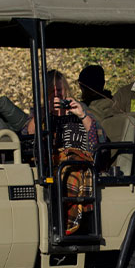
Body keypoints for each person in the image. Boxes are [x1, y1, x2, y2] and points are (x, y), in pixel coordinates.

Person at [27, 70, 103, 235]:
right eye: (51, 92)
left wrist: (82, 115)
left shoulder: (80, 110)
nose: (56, 96)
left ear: (65, 91)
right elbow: (28, 135)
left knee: (70, 171)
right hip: (52, 162)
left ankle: (68, 226)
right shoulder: (40, 113)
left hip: (78, 160)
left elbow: (99, 139)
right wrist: (45, 112)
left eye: (59, 91)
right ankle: (62, 225)